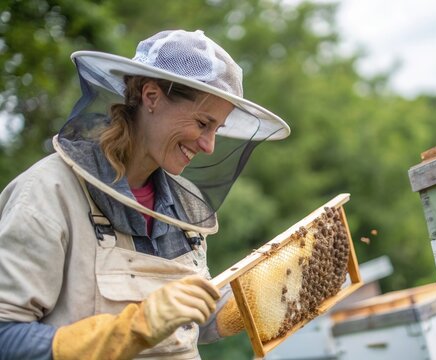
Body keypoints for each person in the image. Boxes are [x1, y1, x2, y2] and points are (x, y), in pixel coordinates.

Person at [0, 29, 290, 359]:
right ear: (151, 96)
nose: (209, 146)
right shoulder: (47, 192)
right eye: (202, 123)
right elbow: (5, 337)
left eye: (216, 130)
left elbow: (185, 325)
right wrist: (135, 326)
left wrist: (249, 301)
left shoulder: (182, 206)